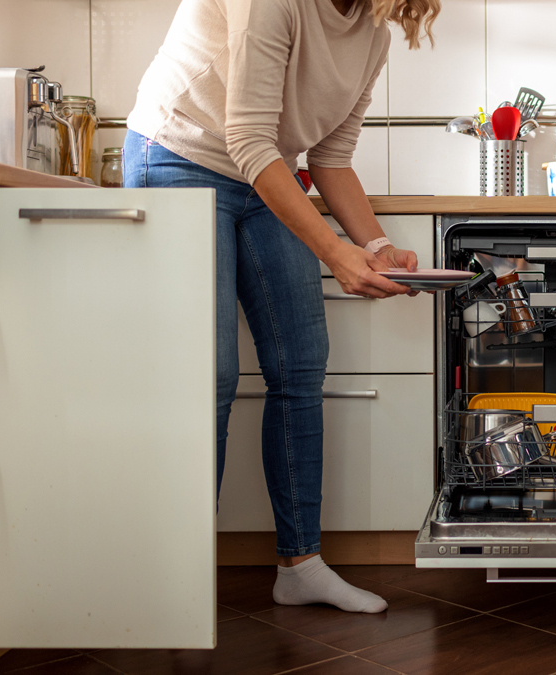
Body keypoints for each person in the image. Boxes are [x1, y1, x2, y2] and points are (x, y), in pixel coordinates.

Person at [123, 0, 440, 613]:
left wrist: (373, 247)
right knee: (208, 378)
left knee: (299, 365)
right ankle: (177, 582)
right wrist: (335, 253)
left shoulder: (372, 30)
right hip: (177, 155)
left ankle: (300, 565)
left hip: (265, 172)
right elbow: (245, 135)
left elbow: (331, 157)